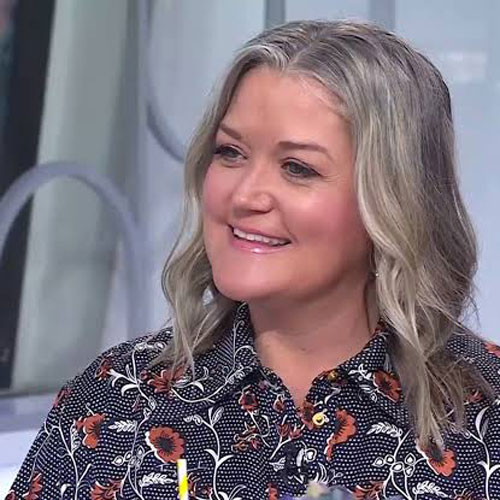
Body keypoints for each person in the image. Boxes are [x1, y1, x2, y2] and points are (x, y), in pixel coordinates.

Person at [6, 19, 500, 500]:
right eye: (230, 152)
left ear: (396, 198)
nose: (244, 195)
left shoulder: (487, 414)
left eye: (297, 168)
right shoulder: (114, 398)